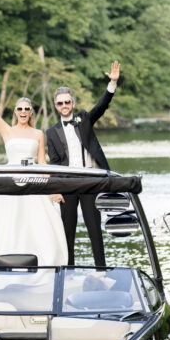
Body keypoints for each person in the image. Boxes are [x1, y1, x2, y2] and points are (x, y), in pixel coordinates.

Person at [0, 67, 68, 266]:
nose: (23, 112)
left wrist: (54, 189)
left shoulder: (38, 134)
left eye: (27, 109)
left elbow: (43, 162)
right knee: (6, 222)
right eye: (20, 109)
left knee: (37, 223)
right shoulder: (7, 131)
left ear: (31, 112)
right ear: (15, 112)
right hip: (10, 179)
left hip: (34, 180)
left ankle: (44, 263)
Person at [45, 60, 120, 267]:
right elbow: (55, 163)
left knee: (94, 229)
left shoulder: (84, 119)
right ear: (56, 105)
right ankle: (68, 271)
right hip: (67, 186)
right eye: (60, 103)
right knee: (67, 232)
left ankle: (101, 270)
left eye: (67, 102)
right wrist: (55, 189)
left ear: (73, 103)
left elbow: (101, 106)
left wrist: (112, 84)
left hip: (89, 181)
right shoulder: (51, 132)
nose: (64, 106)